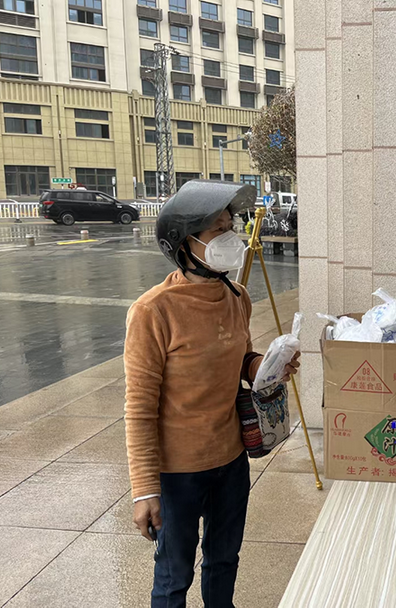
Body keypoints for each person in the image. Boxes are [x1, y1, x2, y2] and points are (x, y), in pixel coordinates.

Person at [124, 180, 299, 607]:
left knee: (224, 560)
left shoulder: (237, 296)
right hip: (177, 472)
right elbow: (140, 408)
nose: (230, 237)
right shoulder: (153, 311)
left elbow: (241, 359)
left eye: (230, 226)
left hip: (230, 460)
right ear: (185, 242)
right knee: (174, 576)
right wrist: (144, 489)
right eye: (217, 229)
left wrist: (267, 366)